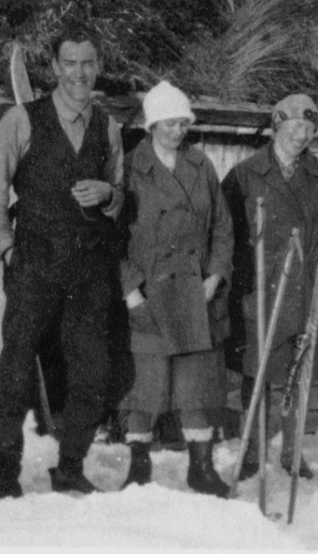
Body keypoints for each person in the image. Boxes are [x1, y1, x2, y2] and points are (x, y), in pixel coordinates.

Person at [0, 26, 125, 498]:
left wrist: (108, 194)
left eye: (88, 63)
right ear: (56, 67)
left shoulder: (109, 128)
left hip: (88, 274)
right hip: (35, 269)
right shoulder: (21, 120)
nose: (79, 73)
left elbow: (119, 196)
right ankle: (6, 479)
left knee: (93, 374)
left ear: (97, 67)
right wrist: (6, 248)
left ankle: (70, 468)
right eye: (70, 63)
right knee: (15, 376)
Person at [117, 80, 234, 497]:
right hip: (148, 294)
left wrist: (215, 277)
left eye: (183, 122)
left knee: (196, 385)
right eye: (169, 122)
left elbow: (222, 228)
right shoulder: (128, 168)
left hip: (195, 293)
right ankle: (138, 469)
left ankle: (200, 469)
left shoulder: (201, 166)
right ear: (151, 124)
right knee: (144, 385)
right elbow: (111, 238)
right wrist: (131, 292)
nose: (177, 130)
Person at [222, 93, 318, 480]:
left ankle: (292, 453)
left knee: (299, 373)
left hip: (304, 290)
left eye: (308, 129)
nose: (301, 135)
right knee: (256, 374)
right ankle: (253, 453)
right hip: (259, 289)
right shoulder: (244, 174)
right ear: (276, 127)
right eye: (293, 127)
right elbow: (227, 233)